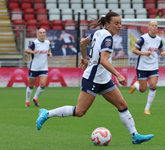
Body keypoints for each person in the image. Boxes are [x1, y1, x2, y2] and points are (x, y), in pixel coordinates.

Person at [36, 12, 154, 144]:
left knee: (122, 104)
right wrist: (118, 75)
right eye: (116, 23)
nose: (119, 26)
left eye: (120, 23)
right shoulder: (108, 38)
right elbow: (103, 60)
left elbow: (82, 43)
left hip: (103, 78)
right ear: (108, 24)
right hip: (93, 78)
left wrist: (85, 58)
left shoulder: (98, 33)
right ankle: (46, 113)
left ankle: (135, 136)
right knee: (80, 111)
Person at [129, 21, 165, 115]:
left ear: (157, 28)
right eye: (152, 25)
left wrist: (162, 53)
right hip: (142, 66)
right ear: (148, 27)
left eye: (156, 26)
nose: (154, 27)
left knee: (153, 85)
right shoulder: (143, 38)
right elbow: (134, 50)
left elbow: (161, 49)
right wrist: (144, 53)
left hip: (153, 66)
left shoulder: (159, 39)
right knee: (143, 89)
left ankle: (147, 109)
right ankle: (136, 85)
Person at [24, 28, 52, 107]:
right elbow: (26, 50)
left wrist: (49, 53)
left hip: (43, 67)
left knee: (43, 84)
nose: (42, 34)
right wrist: (33, 52)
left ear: (45, 34)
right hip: (34, 68)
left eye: (43, 32)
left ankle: (35, 98)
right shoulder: (34, 43)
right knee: (31, 85)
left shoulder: (47, 42)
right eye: (40, 32)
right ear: (38, 34)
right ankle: (27, 101)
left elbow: (49, 49)